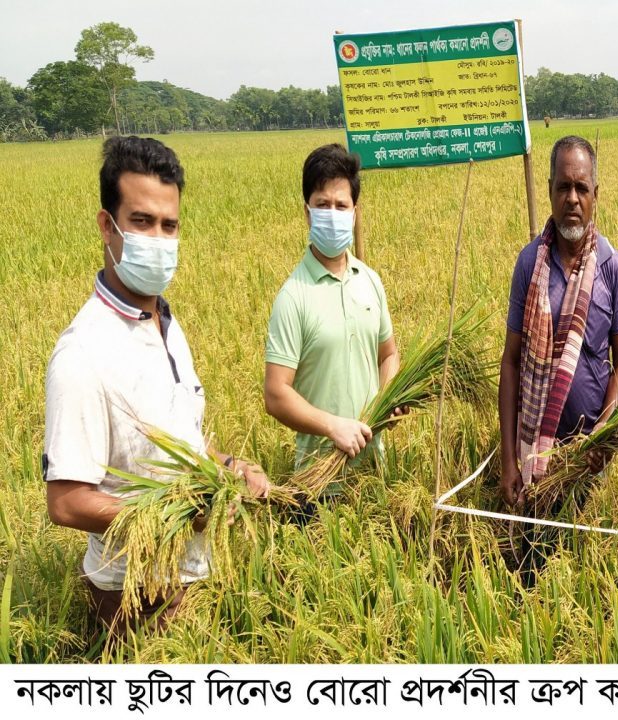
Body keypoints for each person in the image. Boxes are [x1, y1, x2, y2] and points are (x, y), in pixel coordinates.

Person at [44, 136, 270, 637]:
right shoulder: (83, 352)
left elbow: (180, 436)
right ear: (108, 225)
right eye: (141, 222)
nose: (158, 239)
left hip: (196, 574)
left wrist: (228, 467)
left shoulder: (165, 321)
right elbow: (66, 501)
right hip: (135, 594)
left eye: (169, 226)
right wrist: (175, 515)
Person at [498, 134, 618, 511]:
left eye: (581, 188)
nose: (572, 199)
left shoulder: (611, 267)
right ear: (549, 191)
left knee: (590, 559)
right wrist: (508, 460)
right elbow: (511, 361)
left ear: (595, 194)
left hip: (589, 459)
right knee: (535, 558)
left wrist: (604, 433)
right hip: (533, 461)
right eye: (563, 187)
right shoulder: (530, 264)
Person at [264, 144, 399, 472]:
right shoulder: (293, 296)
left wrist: (389, 398)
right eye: (323, 205)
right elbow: (276, 393)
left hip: (374, 471)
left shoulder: (370, 281)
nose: (333, 214)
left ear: (355, 213)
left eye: (342, 206)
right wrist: (332, 426)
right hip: (318, 478)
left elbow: (388, 355)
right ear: (307, 212)